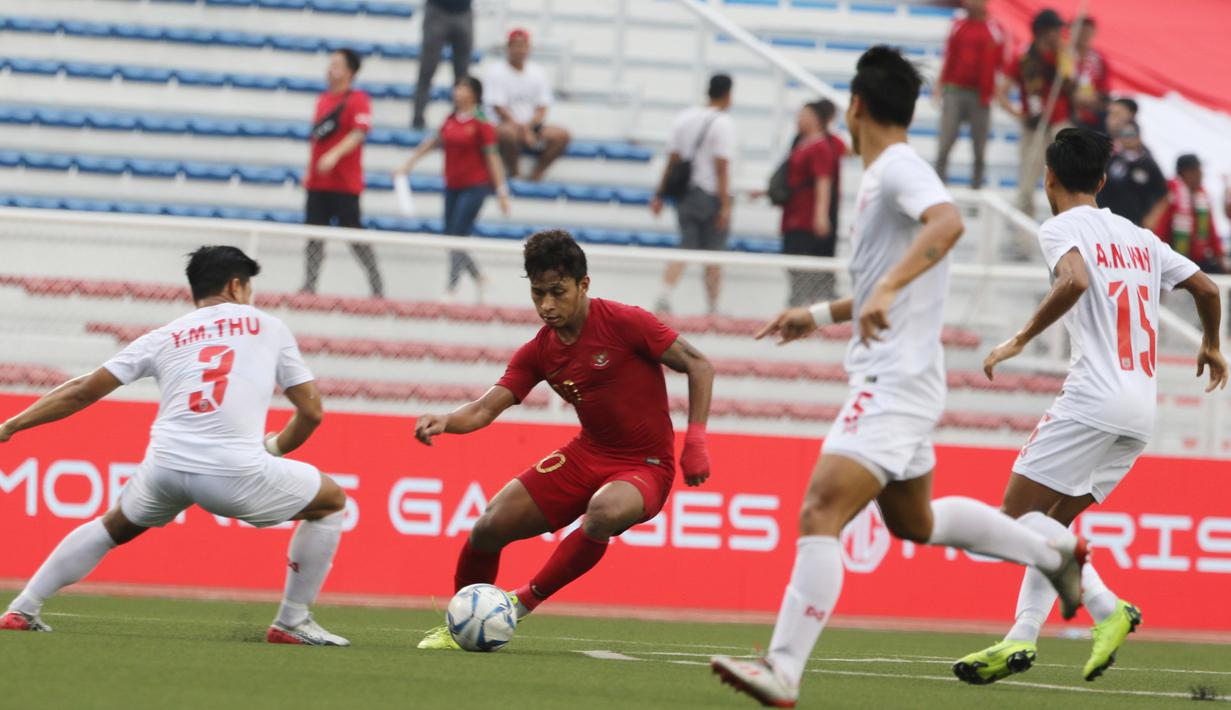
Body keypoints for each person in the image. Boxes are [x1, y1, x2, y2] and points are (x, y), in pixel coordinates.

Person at [709, 47, 1087, 708]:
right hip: (904, 377)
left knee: (820, 510)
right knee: (915, 522)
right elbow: (884, 281)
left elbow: (948, 222)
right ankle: (1051, 555)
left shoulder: (897, 169)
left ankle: (783, 669)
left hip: (893, 381)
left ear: (855, 106)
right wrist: (817, 314)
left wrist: (883, 288)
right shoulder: (884, 176)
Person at [954, 127, 1227, 685]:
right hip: (1139, 412)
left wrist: (1020, 339)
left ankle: (1107, 607)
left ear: (1049, 177)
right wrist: (1211, 344)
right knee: (1051, 525)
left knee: (1015, 520)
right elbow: (1207, 289)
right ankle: (1022, 635)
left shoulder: (1060, 227)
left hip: (1092, 399)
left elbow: (1075, 280)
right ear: (1103, 180)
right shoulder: (1140, 237)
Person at [0, 247, 350, 646]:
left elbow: (81, 391)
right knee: (331, 501)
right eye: (249, 287)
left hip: (164, 467)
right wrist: (274, 448)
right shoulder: (267, 326)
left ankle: (22, 608)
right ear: (236, 286)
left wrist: (11, 425)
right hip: (231, 471)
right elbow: (311, 412)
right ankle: (292, 621)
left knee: (113, 526)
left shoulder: (166, 335)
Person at [413, 230, 715, 649]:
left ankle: (519, 603)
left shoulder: (625, 322)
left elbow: (699, 364)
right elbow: (484, 409)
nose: (547, 305)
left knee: (603, 512)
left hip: (644, 466)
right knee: (487, 527)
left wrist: (695, 440)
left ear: (583, 284)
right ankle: (461, 626)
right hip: (587, 454)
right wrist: (446, 420)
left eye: (558, 292)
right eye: (538, 294)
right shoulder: (539, 351)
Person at [397, 76, 512, 302]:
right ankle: (480, 278)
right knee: (450, 235)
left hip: (475, 186)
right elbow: (433, 142)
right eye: (457, 88)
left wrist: (501, 191)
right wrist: (408, 164)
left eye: (463, 88)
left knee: (457, 234)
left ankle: (452, 287)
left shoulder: (482, 122)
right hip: (452, 185)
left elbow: (492, 157)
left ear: (474, 94)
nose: (458, 92)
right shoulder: (450, 119)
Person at [650, 74, 737, 315]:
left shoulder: (685, 118)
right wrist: (725, 206)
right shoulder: (722, 123)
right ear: (728, 94)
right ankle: (713, 307)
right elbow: (721, 167)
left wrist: (659, 194)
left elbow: (673, 159)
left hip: (686, 194)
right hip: (710, 194)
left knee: (685, 245)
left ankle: (664, 294)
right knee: (714, 253)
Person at [302, 48, 384, 298]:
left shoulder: (358, 99)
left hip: (344, 184)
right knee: (313, 236)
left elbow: (359, 133)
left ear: (350, 72)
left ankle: (376, 285)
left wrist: (334, 155)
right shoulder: (323, 100)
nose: (331, 70)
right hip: (318, 183)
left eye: (337, 65)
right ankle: (309, 285)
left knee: (354, 235)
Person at [935, 0, 1012, 189]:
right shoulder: (958, 25)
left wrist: (998, 92)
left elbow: (1002, 65)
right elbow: (949, 57)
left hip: (981, 95)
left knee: (979, 147)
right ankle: (938, 182)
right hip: (955, 90)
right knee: (946, 141)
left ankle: (976, 186)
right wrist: (940, 86)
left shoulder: (995, 30)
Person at [1005, 9, 1074, 218]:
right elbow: (1001, 92)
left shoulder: (1063, 55)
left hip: (1060, 125)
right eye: (1055, 30)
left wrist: (1065, 61)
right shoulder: (1024, 57)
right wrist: (1019, 115)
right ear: (1043, 31)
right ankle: (1023, 234)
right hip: (1034, 126)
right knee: (1027, 182)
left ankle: (1067, 226)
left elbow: (1073, 86)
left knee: (1069, 180)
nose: (1059, 34)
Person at [484, 29, 571, 182]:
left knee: (562, 135)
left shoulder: (537, 72)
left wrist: (529, 127)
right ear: (508, 48)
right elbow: (499, 109)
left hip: (531, 126)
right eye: (516, 46)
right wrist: (524, 130)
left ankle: (537, 174)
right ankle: (514, 172)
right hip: (505, 124)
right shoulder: (496, 71)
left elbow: (542, 107)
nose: (520, 50)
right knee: (507, 134)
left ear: (529, 49)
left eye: (523, 46)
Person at [781, 100, 841, 305]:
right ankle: (798, 301)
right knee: (793, 263)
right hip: (794, 214)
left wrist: (821, 215)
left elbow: (823, 181)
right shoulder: (801, 143)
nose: (798, 119)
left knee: (806, 265)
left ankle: (805, 304)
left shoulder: (821, 146)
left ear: (816, 119)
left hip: (807, 218)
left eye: (804, 115)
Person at [1151, 154, 1229, 275]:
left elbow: (1211, 230)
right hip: (1174, 260)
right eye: (1196, 170)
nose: (1200, 174)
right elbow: (1159, 229)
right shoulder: (1169, 194)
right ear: (1185, 173)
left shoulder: (1202, 197)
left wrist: (1220, 257)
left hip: (1200, 260)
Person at [412, 0, 473, 131]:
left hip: (463, 10)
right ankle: (418, 117)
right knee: (427, 69)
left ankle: (461, 118)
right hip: (437, 10)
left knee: (462, 74)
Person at [1096, 122, 1168, 227]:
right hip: (1106, 218)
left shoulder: (1148, 164)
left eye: (1131, 134)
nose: (1127, 138)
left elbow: (1163, 195)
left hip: (1134, 223)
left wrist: (1151, 219)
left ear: (1139, 137)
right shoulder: (1111, 159)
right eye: (1123, 134)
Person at [1071, 17, 1111, 133]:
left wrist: (1094, 98)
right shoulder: (1063, 55)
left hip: (1092, 116)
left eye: (1087, 31)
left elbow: (1105, 91)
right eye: (1081, 30)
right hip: (1067, 112)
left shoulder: (1099, 59)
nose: (1084, 35)